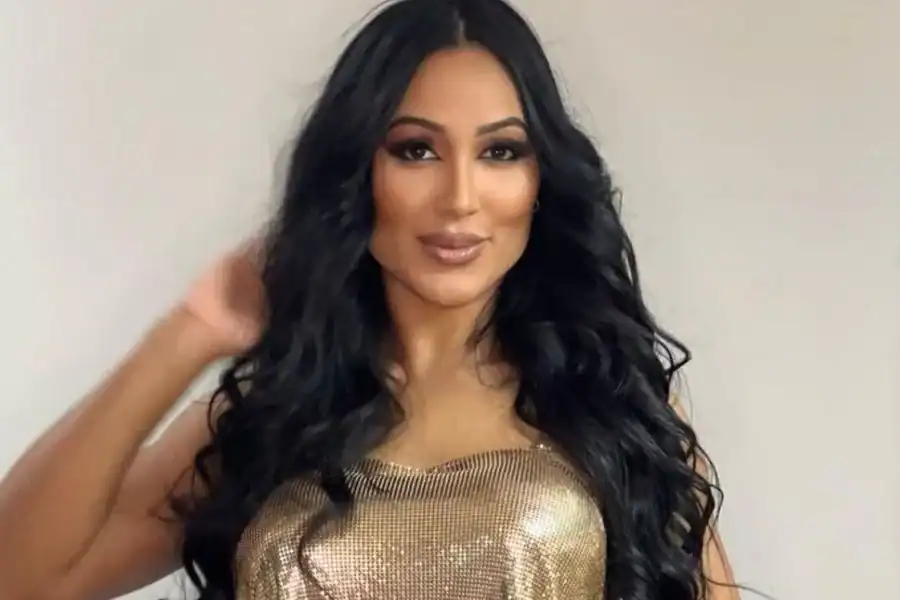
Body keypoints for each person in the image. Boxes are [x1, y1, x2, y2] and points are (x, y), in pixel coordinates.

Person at [0, 1, 741, 599]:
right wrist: (190, 334)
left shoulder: (610, 405)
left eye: (500, 151)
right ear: (357, 172)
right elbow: (20, 579)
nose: (460, 197)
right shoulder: (266, 419)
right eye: (416, 149)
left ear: (541, 181)